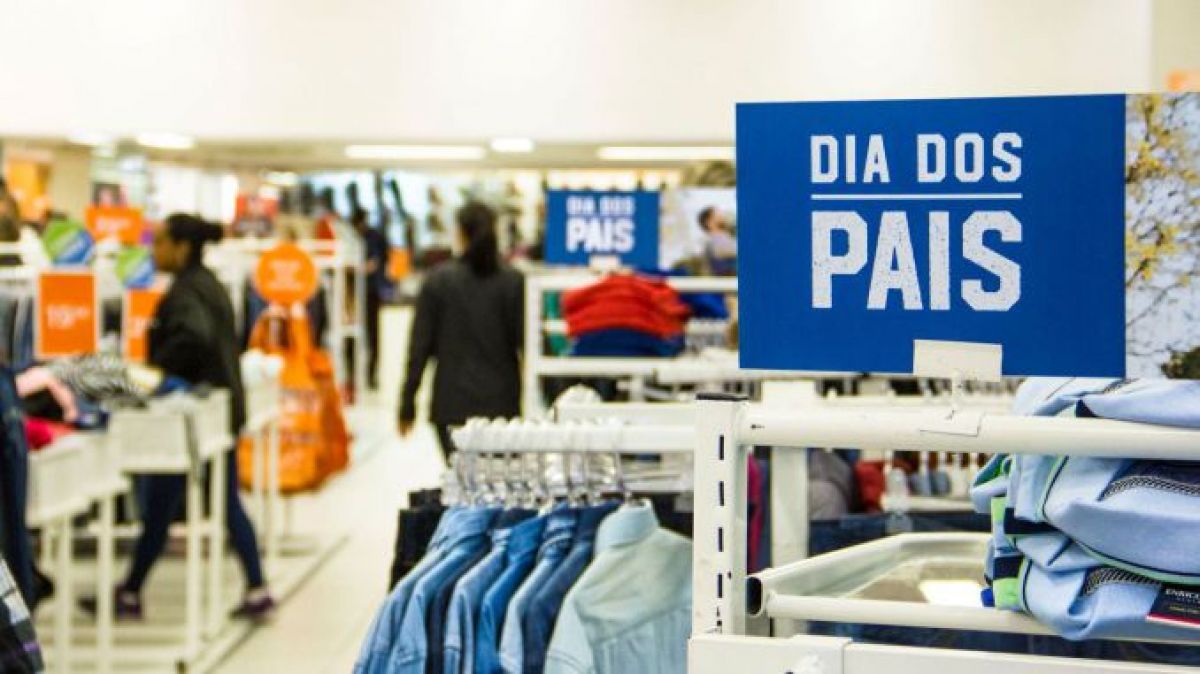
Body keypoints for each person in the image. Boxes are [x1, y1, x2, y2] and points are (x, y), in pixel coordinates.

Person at [83, 214, 274, 620]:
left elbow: (193, 338)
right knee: (175, 505)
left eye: (160, 242)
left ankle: (137, 591)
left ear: (182, 247)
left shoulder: (187, 290)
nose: (154, 251)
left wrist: (157, 375)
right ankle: (134, 590)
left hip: (194, 416)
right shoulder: (208, 284)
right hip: (214, 410)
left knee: (201, 503)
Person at [398, 202, 523, 461]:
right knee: (501, 480)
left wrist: (407, 403)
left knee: (460, 479)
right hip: (501, 405)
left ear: (460, 233)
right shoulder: (513, 282)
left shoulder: (438, 281)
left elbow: (419, 348)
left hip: (451, 405)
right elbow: (527, 343)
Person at [352, 207, 391, 390]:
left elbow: (377, 262)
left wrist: (364, 268)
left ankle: (371, 374)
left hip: (371, 291)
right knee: (353, 335)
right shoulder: (352, 238)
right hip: (353, 293)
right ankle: (353, 376)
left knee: (372, 334)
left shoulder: (374, 237)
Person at [698, 206, 737, 276]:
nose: (722, 215)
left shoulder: (725, 237)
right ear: (708, 222)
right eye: (718, 214)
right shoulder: (712, 242)